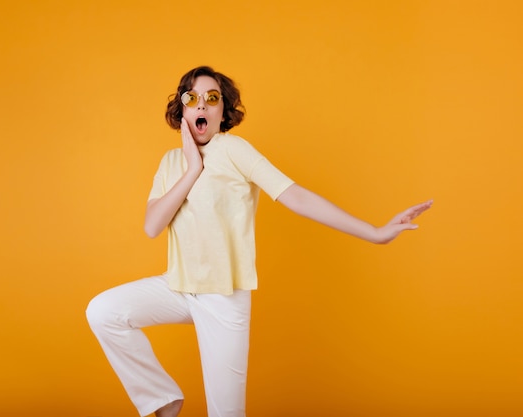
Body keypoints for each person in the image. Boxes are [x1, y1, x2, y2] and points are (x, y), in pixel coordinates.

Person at [86, 66, 432, 417]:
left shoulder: (234, 149)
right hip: (178, 287)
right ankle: (163, 399)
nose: (201, 106)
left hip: (224, 297)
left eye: (212, 99)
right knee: (103, 312)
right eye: (192, 99)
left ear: (224, 111)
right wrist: (192, 169)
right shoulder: (172, 161)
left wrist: (375, 233)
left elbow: (295, 196)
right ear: (182, 111)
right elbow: (152, 225)